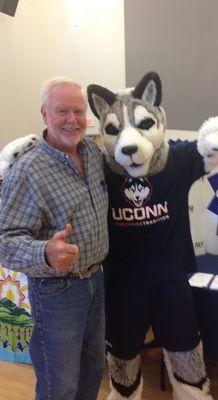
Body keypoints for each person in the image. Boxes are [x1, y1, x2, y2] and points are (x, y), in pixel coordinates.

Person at [0, 77, 108, 400]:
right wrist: (45, 252)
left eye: (79, 111)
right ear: (45, 114)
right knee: (59, 385)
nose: (72, 120)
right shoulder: (28, 169)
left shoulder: (92, 151)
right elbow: (5, 239)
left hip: (96, 282)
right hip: (56, 291)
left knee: (93, 369)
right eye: (62, 111)